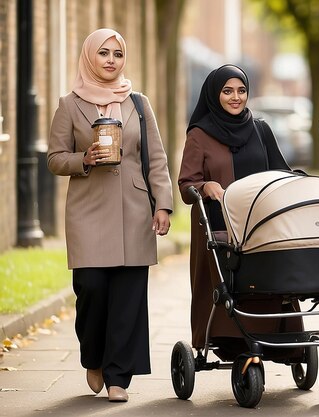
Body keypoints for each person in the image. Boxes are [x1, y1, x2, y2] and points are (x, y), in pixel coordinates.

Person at [47, 28, 173, 402]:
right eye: (103, 53)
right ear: (90, 57)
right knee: (92, 289)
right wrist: (82, 159)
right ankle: (94, 357)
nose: (111, 60)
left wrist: (163, 204)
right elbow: (54, 158)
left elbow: (157, 158)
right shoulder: (69, 105)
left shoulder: (138, 103)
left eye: (117, 54)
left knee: (129, 297)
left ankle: (120, 376)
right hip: (87, 211)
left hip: (134, 211)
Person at [178, 64, 302, 363]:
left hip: (259, 224)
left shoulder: (260, 129)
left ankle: (278, 338)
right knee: (229, 281)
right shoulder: (200, 135)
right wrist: (206, 185)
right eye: (227, 91)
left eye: (241, 91)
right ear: (214, 94)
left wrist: (298, 181)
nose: (236, 97)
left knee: (268, 277)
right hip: (219, 226)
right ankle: (230, 340)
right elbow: (185, 185)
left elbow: (279, 170)